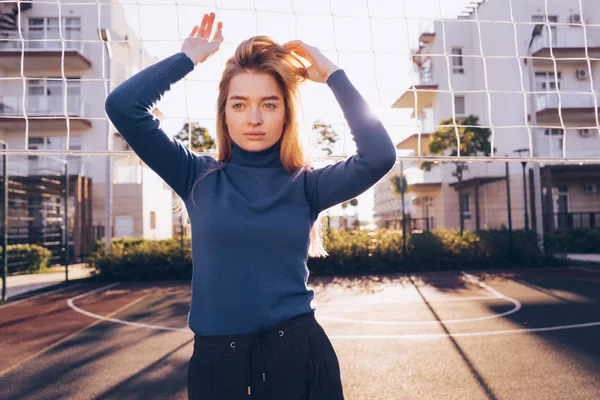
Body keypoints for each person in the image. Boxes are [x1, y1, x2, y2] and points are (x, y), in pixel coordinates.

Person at [105, 12, 396, 400]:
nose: (254, 119)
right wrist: (187, 58)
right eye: (239, 105)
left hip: (299, 355)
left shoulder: (306, 184)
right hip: (218, 365)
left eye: (270, 105)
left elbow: (378, 156)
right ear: (224, 113)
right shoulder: (195, 174)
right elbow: (124, 107)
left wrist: (331, 75)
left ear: (286, 113)